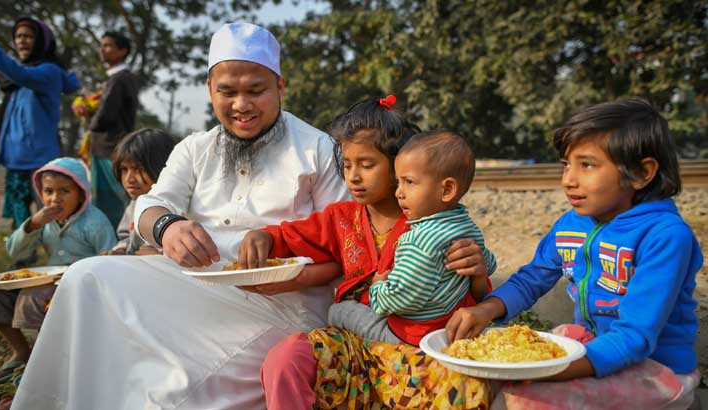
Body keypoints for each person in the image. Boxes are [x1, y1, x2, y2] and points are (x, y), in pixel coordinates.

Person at [12, 22, 350, 410]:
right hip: (196, 285)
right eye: (228, 92)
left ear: (280, 88)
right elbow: (148, 207)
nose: (242, 105)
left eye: (256, 91)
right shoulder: (195, 148)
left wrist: (291, 277)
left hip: (284, 305)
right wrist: (167, 227)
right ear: (210, 91)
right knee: (85, 275)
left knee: (179, 388)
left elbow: (345, 246)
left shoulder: (318, 149)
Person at [445, 98, 703, 409]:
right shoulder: (573, 223)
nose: (568, 179)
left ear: (641, 173)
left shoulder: (665, 237)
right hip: (592, 345)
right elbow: (532, 278)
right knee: (479, 380)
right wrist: (487, 309)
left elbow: (635, 337)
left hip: (657, 369)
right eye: (567, 164)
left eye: (588, 165)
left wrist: (546, 369)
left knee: (526, 397)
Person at [253, 99, 496, 409]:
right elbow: (291, 237)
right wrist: (264, 237)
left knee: (466, 384)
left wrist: (478, 272)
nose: (353, 176)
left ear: (398, 166)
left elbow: (474, 297)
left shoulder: (438, 224)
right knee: (287, 357)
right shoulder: (340, 218)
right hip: (358, 348)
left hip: (423, 352)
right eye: (348, 164)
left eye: (367, 165)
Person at [327, 130, 495, 343]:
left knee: (341, 311)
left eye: (409, 182)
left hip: (411, 334)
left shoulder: (419, 242)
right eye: (398, 182)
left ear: (447, 190)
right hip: (448, 323)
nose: (399, 192)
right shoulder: (467, 227)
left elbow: (402, 298)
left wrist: (377, 288)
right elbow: (489, 263)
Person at [0, 157, 116, 384]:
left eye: (65, 191)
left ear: (81, 193)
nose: (55, 199)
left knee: (30, 297)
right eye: (48, 191)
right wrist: (33, 224)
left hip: (80, 287)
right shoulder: (44, 221)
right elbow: (15, 252)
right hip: (47, 281)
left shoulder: (95, 222)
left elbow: (110, 258)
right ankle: (22, 351)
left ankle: (47, 359)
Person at [0, 18, 79, 233]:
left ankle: (60, 256)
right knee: (19, 215)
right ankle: (25, 256)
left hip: (40, 160)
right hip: (15, 159)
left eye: (28, 36)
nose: (21, 40)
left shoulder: (48, 73)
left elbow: (18, 73)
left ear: (41, 41)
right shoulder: (15, 82)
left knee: (52, 214)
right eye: (17, 36)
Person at [88, 31, 139, 228]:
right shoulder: (121, 78)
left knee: (112, 197)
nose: (102, 49)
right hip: (113, 146)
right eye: (101, 45)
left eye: (108, 45)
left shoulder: (119, 79)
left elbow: (106, 115)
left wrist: (89, 122)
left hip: (109, 147)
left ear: (123, 51)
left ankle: (118, 237)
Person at [100, 128, 176, 256]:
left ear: (163, 168)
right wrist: (120, 251)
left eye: (138, 169)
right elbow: (125, 237)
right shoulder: (134, 204)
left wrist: (161, 255)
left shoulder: (176, 206)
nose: (129, 179)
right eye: (124, 169)